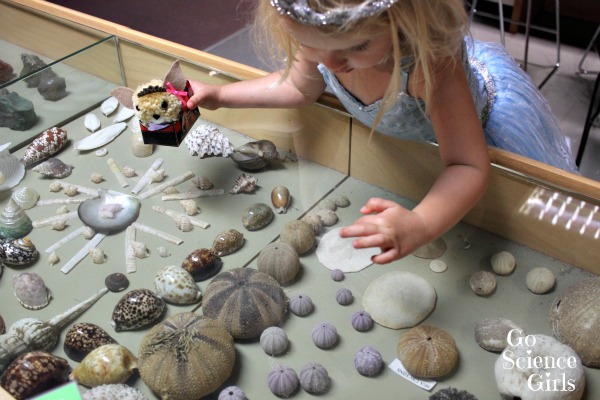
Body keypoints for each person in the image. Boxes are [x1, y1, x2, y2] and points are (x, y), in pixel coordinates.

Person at [187, 0, 578, 264]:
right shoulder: (325, 38)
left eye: (355, 46)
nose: (331, 63)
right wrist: (221, 94)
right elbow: (299, 86)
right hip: (411, 151)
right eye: (310, 45)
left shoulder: (432, 68)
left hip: (480, 131)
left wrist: (421, 223)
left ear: (403, 20)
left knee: (529, 234)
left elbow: (467, 164)